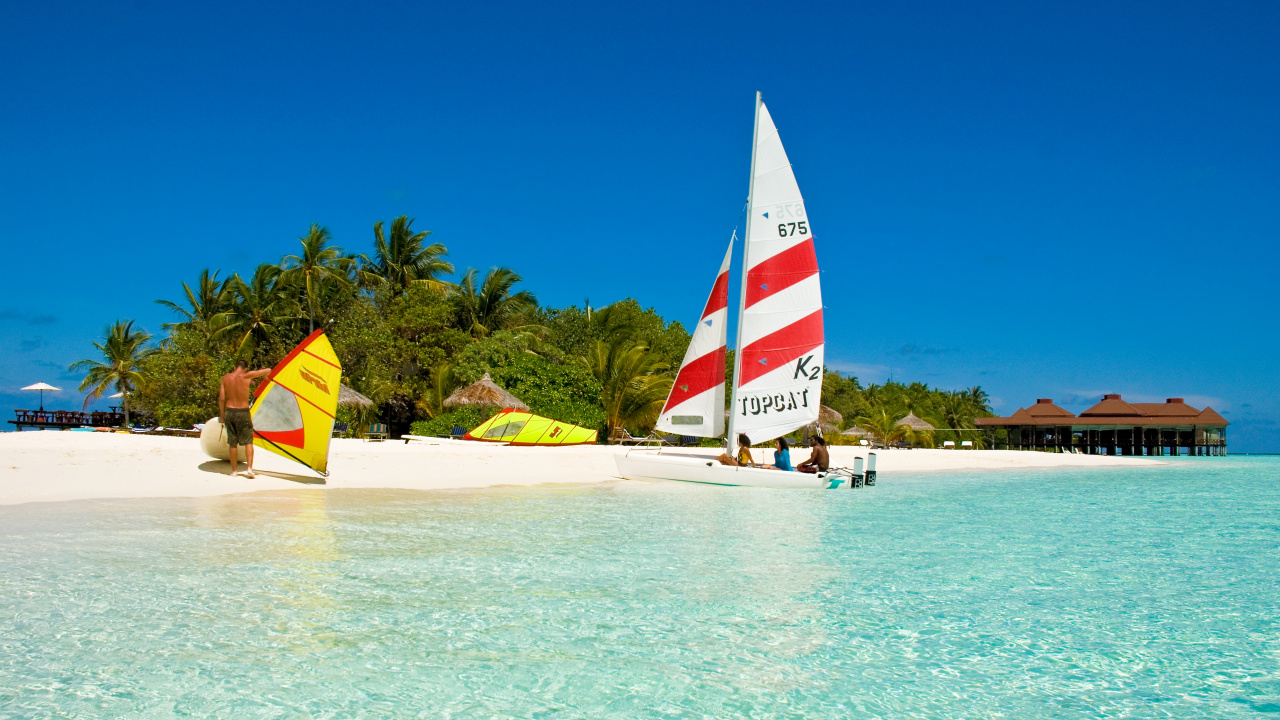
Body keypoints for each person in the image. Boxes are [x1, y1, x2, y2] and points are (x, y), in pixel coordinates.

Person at [218, 359, 271, 477]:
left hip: (230, 411)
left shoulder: (225, 378)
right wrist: (264, 377)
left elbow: (221, 398)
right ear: (245, 368)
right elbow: (268, 370)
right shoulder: (247, 376)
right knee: (248, 442)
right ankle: (249, 470)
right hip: (243, 412)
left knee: (232, 443)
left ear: (235, 367)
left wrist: (222, 415)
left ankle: (234, 471)